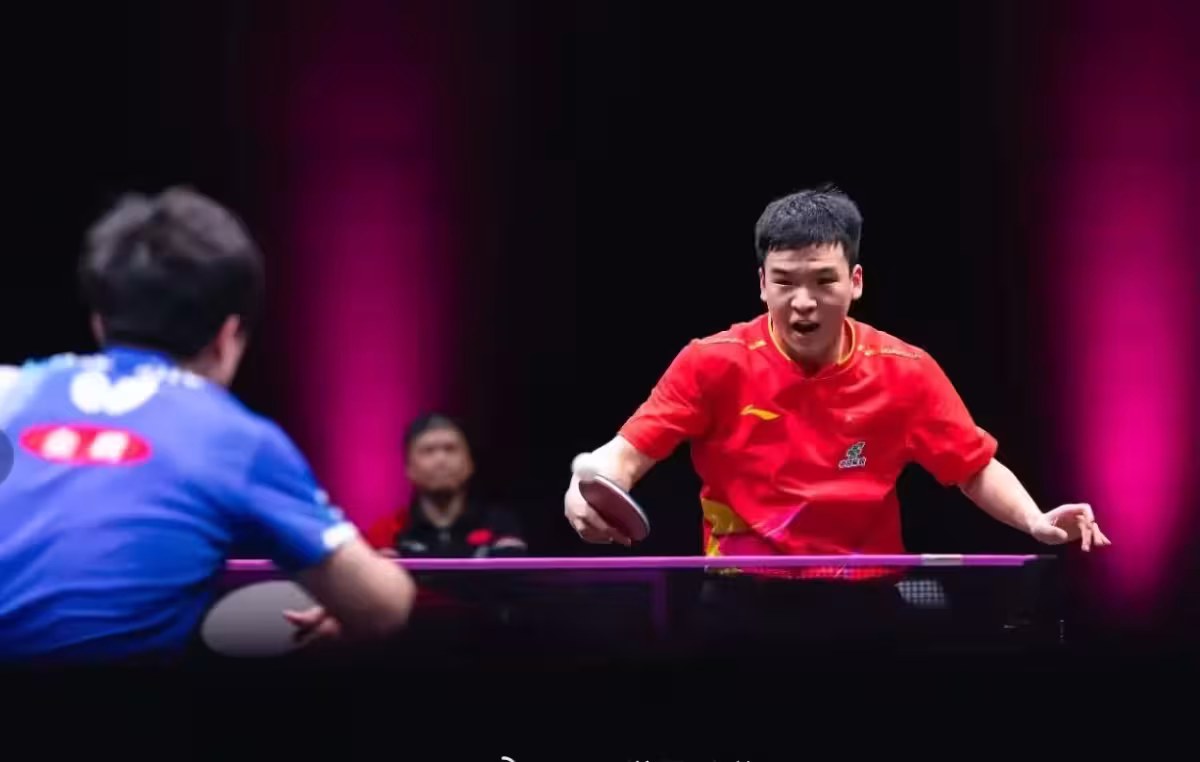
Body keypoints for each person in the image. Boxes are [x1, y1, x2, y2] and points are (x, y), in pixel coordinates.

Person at [562, 185, 1110, 653]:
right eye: (784, 282)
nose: (803, 302)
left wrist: (1034, 519)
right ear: (761, 283)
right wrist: (585, 488)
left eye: (824, 281)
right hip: (740, 603)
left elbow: (972, 467)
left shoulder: (905, 370)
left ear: (856, 281)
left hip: (864, 604)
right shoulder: (712, 362)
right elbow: (627, 453)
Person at [0, 187, 416, 664]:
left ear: (99, 322)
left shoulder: (10, 390)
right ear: (227, 336)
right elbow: (385, 608)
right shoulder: (237, 441)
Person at [367, 412, 527, 559]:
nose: (441, 460)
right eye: (428, 451)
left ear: (470, 464)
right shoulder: (386, 534)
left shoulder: (501, 526)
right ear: (409, 469)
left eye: (450, 449)